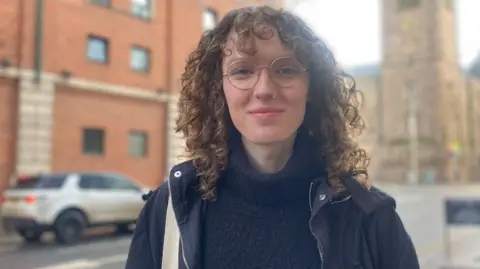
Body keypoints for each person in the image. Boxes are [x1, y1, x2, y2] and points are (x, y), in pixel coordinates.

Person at [125, 5, 420, 269]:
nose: (264, 89)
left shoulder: (370, 218)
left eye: (287, 70)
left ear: (311, 89)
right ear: (218, 91)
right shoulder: (172, 209)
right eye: (242, 71)